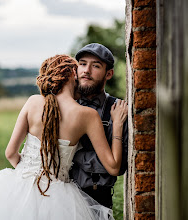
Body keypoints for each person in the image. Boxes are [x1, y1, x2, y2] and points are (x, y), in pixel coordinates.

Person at [0, 54, 128, 220]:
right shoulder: (87, 115)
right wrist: (118, 125)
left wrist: (28, 173)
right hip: (60, 196)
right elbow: (113, 167)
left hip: (18, 186)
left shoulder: (33, 103)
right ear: (72, 74)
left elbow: (10, 153)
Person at [70, 43, 128, 209]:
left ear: (108, 74)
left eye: (95, 66)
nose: (86, 70)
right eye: (82, 64)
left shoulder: (118, 109)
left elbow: (120, 164)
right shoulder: (65, 106)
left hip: (99, 199)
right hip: (64, 197)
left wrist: (74, 157)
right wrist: (98, 155)